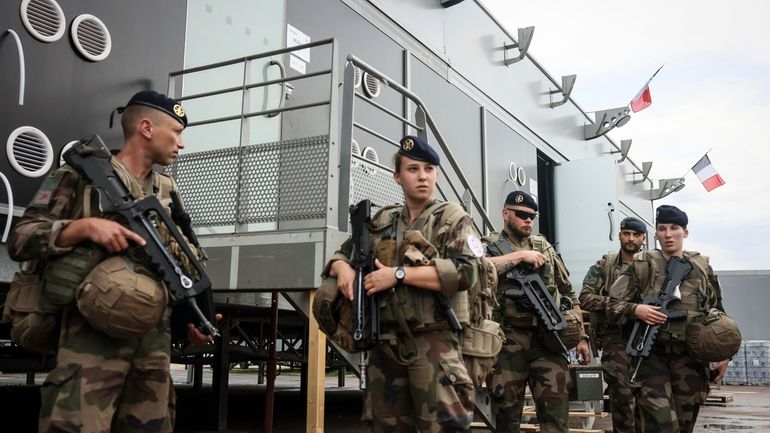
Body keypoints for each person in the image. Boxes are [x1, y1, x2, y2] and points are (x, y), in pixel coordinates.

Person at [8, 90, 214, 433]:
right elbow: (21, 238)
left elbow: (175, 263)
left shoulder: (166, 190)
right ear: (146, 128)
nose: (182, 143)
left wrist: (189, 322)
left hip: (152, 342)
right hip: (90, 336)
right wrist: (82, 228)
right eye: (176, 132)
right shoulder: (81, 175)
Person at [324, 135, 481, 433]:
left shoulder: (452, 218)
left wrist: (397, 275)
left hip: (433, 344)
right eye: (413, 169)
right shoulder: (383, 219)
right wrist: (342, 267)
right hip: (384, 345)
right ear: (397, 176)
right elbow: (342, 253)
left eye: (429, 169)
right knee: (385, 427)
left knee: (443, 427)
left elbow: (466, 272)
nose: (422, 176)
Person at [607, 205, 730, 433]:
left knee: (685, 424)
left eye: (674, 228)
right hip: (652, 356)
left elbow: (717, 312)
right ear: (656, 234)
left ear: (685, 232)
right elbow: (612, 305)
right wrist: (636, 310)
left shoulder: (701, 267)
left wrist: (724, 354)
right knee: (660, 424)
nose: (668, 234)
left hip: (690, 357)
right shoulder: (641, 266)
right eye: (662, 229)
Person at [484, 191, 590, 433]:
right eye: (522, 215)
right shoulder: (489, 245)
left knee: (556, 415)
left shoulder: (544, 246)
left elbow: (569, 293)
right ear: (505, 214)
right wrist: (520, 255)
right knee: (506, 416)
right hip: (508, 339)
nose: (528, 221)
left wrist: (582, 337)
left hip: (548, 339)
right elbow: (477, 269)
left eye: (532, 216)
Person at [580, 216, 647, 433]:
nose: (630, 239)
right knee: (622, 399)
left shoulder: (652, 265)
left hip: (646, 339)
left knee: (648, 402)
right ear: (619, 235)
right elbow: (585, 298)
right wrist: (618, 305)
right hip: (615, 340)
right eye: (626, 233)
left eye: (636, 235)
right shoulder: (605, 265)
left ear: (643, 238)